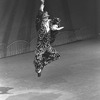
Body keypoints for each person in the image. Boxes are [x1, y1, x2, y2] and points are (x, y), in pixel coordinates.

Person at [34, 0, 64, 77]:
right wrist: (42, 3)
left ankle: (42, 64)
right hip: (40, 47)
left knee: (56, 55)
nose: (45, 19)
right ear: (41, 19)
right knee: (37, 62)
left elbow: (54, 24)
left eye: (46, 18)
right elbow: (40, 12)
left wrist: (54, 28)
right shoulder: (40, 25)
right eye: (44, 18)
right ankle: (39, 68)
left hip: (47, 45)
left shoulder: (49, 22)